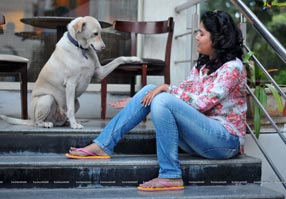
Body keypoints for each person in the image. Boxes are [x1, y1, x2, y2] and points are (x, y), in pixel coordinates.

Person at [66, 10, 247, 192]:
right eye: (197, 32)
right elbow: (185, 91)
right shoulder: (204, 64)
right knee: (149, 90)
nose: (196, 37)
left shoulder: (233, 68)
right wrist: (139, 100)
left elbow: (202, 103)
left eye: (201, 33)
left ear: (217, 38)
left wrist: (166, 88)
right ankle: (102, 145)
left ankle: (171, 175)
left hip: (224, 141)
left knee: (162, 99)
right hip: (201, 135)